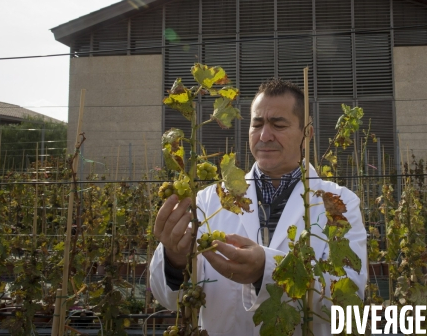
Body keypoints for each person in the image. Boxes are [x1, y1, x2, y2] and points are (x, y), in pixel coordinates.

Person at [150, 78, 367, 336]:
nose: (265, 135)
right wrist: (174, 261)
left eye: (278, 124)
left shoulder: (340, 204)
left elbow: (350, 297)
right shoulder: (209, 201)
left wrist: (267, 270)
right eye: (257, 124)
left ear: (307, 133)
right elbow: (168, 298)